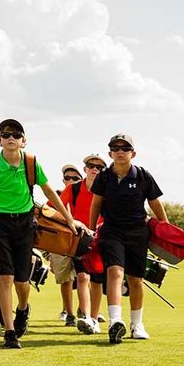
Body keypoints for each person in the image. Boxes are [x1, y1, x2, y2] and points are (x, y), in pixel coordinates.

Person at [0, 119, 80, 349]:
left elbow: (49, 190)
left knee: (22, 280)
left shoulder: (31, 162)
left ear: (23, 141)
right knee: (5, 277)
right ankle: (9, 332)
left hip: (26, 223)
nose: (11, 138)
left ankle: (23, 308)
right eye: (5, 135)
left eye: (16, 135)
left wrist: (68, 219)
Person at [89, 134, 168, 343]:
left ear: (133, 153)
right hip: (111, 231)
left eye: (125, 148)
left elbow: (155, 203)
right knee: (114, 272)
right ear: (110, 154)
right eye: (116, 148)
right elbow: (96, 204)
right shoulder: (104, 177)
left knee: (135, 279)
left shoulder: (142, 176)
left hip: (138, 232)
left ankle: (136, 324)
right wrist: (91, 230)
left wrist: (165, 228)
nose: (120, 152)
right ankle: (116, 321)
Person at [61, 154, 107, 335]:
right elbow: (54, 207)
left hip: (102, 238)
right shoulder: (73, 189)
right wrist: (69, 222)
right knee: (82, 277)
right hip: (80, 239)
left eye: (99, 167)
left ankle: (94, 319)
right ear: (85, 168)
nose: (95, 169)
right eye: (91, 165)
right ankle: (87, 316)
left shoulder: (107, 190)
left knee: (96, 280)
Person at [50, 164, 83, 327]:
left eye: (75, 178)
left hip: (82, 240)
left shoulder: (85, 195)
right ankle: (69, 314)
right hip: (62, 242)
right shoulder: (56, 197)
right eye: (67, 178)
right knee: (66, 279)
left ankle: (84, 310)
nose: (71, 180)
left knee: (85, 276)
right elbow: (47, 214)